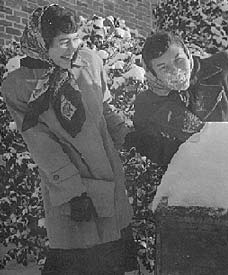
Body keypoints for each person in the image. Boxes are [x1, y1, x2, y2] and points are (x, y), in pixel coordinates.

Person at [1, 4, 137, 275]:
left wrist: (127, 134)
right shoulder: (19, 85)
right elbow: (42, 145)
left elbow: (104, 106)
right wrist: (73, 192)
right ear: (42, 43)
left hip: (109, 180)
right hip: (72, 190)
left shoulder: (89, 61)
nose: (72, 48)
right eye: (63, 42)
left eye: (76, 39)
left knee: (114, 260)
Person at [125, 31, 228, 167]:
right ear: (153, 74)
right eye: (163, 68)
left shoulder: (223, 69)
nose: (175, 71)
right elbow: (159, 153)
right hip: (195, 180)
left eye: (179, 60)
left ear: (187, 54)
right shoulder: (147, 106)